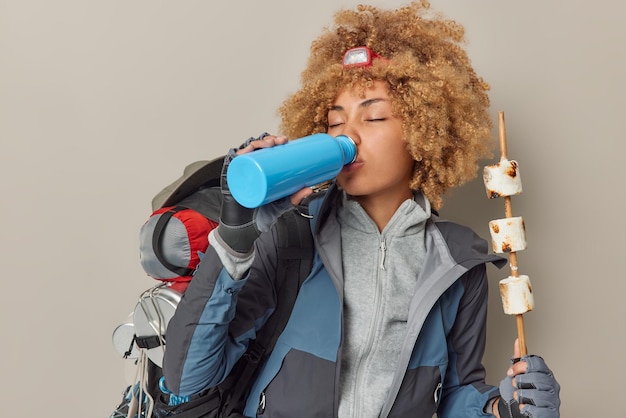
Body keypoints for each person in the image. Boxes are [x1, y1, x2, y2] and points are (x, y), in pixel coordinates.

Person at [161, 1, 561, 417]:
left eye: (372, 118)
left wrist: (501, 409)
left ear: (424, 132)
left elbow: (454, 393)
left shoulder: (460, 261)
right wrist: (236, 235)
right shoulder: (290, 238)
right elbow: (188, 378)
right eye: (335, 122)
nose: (347, 134)